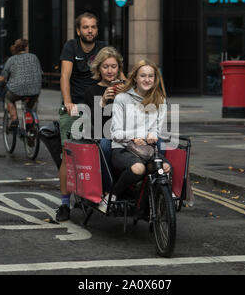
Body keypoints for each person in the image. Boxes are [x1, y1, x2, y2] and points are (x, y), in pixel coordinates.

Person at [55, 12, 109, 222]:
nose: (89, 31)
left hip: (99, 105)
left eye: (93, 27)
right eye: (85, 27)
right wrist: (68, 102)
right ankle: (64, 204)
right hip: (76, 106)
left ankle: (101, 194)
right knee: (68, 155)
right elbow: (65, 76)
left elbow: (117, 73)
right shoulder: (71, 47)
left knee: (107, 148)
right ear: (78, 31)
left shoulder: (103, 47)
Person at [107, 59, 171, 213]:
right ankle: (114, 194)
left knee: (166, 168)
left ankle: (148, 204)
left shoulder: (160, 100)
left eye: (151, 76)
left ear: (155, 79)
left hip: (148, 150)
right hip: (122, 148)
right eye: (143, 76)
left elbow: (157, 130)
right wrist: (137, 135)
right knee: (138, 168)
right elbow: (115, 134)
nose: (147, 80)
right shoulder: (122, 98)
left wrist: (152, 135)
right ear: (135, 78)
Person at [84, 46, 125, 195]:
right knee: (105, 145)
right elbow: (94, 124)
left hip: (127, 134)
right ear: (99, 69)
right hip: (105, 135)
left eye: (113, 67)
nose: (109, 71)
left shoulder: (127, 89)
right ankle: (108, 190)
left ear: (118, 68)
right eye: (105, 67)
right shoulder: (91, 91)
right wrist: (102, 102)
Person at [0, 39, 42, 129]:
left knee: (8, 98)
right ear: (26, 47)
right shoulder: (34, 57)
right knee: (29, 107)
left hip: (16, 90)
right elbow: (40, 73)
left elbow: (3, 77)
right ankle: (30, 126)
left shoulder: (11, 60)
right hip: (35, 90)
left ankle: (14, 119)